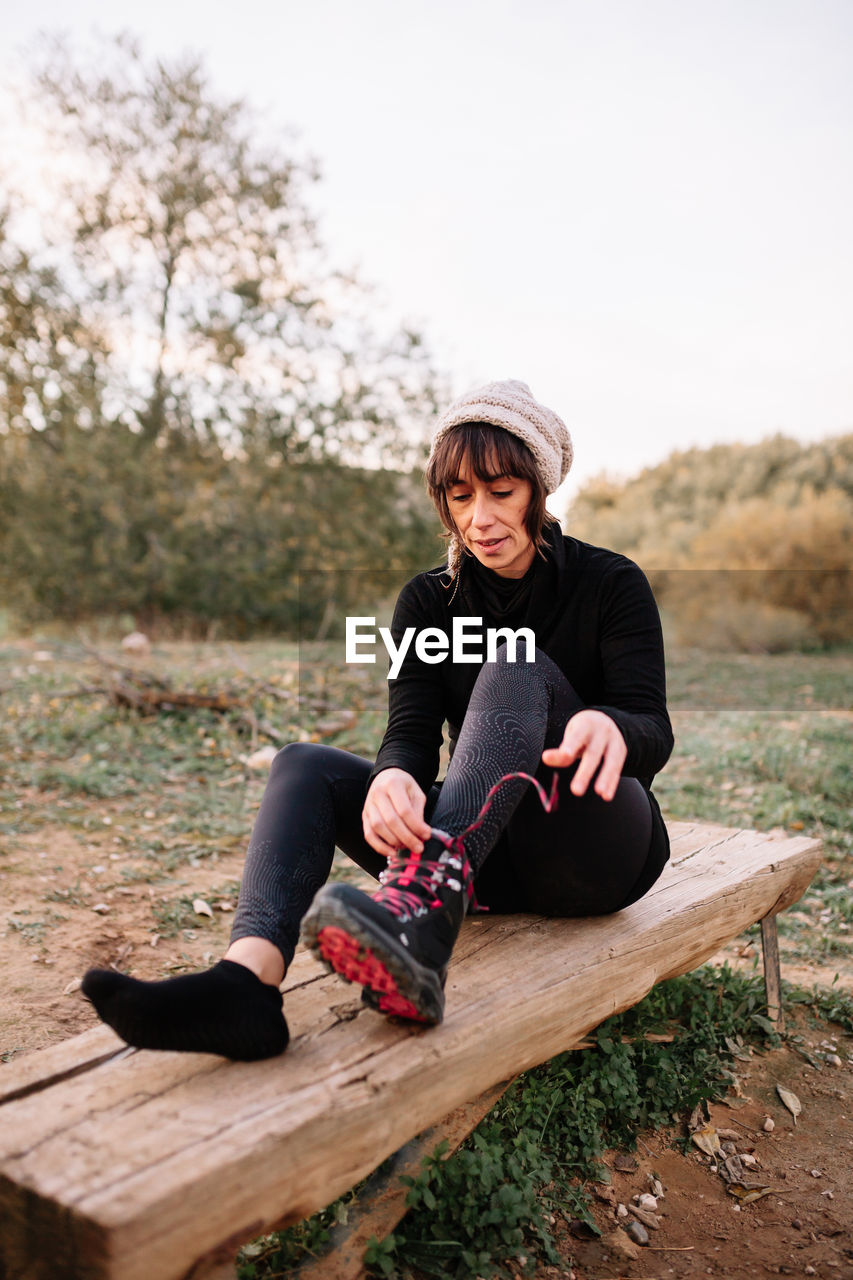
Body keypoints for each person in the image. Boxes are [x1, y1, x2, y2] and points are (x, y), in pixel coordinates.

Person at [82, 380, 673, 1060]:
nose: (480, 517)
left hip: (592, 849)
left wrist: (611, 727)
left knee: (516, 662)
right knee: (304, 765)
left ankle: (419, 913)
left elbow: (651, 730)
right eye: (460, 497)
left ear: (539, 489)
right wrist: (395, 776)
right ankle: (245, 986)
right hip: (483, 859)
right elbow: (412, 732)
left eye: (501, 492)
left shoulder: (607, 582)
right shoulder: (428, 600)